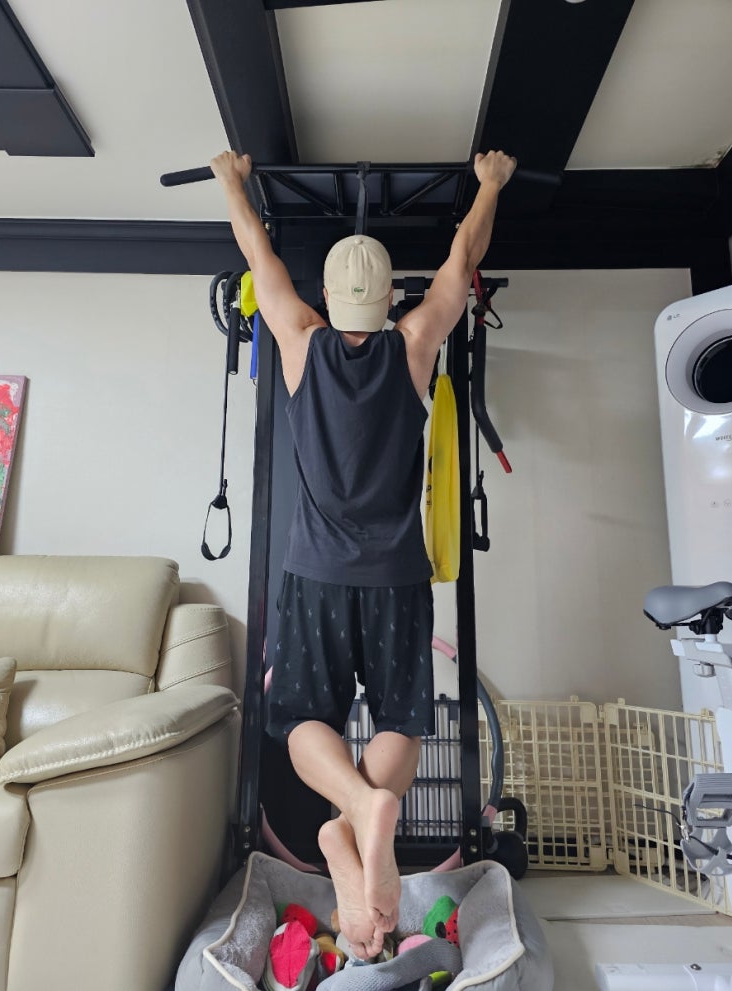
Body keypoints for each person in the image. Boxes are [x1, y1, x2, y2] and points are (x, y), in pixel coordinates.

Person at [210, 149, 516, 961]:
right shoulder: (412, 344)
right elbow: (461, 259)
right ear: (387, 301)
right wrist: (489, 186)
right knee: (403, 719)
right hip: (396, 577)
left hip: (313, 573)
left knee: (298, 718)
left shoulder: (297, 337)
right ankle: (361, 814)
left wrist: (232, 184)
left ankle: (350, 816)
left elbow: (257, 252)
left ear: (324, 295)